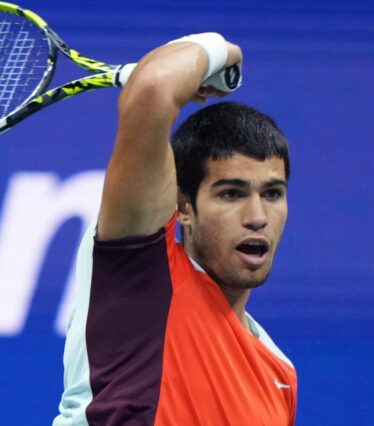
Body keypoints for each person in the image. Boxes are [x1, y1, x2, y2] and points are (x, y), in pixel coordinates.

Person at [54, 33, 296, 425]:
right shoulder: (142, 273)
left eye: (272, 193)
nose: (257, 216)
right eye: (231, 194)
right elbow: (153, 87)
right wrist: (219, 48)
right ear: (183, 206)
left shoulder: (279, 375)